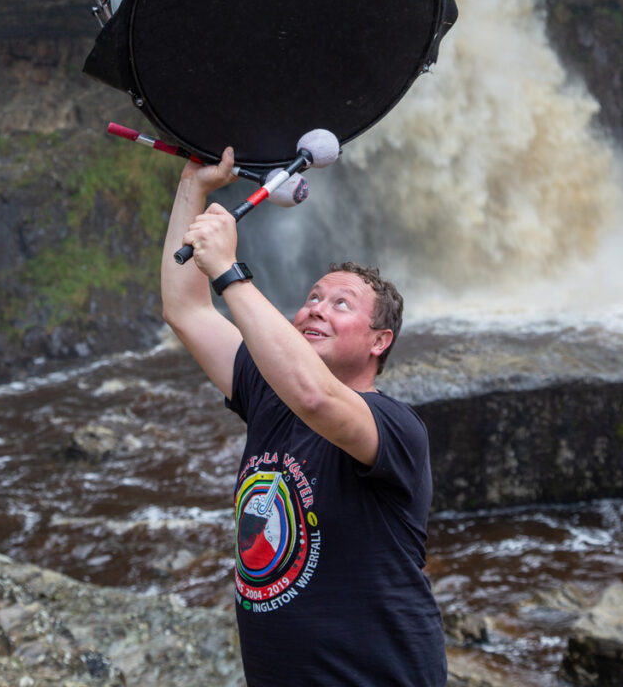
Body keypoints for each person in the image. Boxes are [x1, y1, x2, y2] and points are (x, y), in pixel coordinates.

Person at [161, 147, 447, 686]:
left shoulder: (395, 428)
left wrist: (228, 270)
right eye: (313, 296)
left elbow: (318, 399)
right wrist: (193, 187)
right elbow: (187, 310)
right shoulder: (270, 394)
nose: (315, 306)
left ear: (379, 341)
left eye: (341, 304)